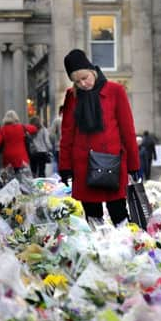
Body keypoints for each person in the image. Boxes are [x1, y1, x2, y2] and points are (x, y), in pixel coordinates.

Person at [59, 49, 140, 227]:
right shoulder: (72, 96)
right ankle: (97, 251)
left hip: (112, 163)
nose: (83, 83)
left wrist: (134, 165)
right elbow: (67, 134)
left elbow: (127, 131)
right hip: (84, 165)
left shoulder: (115, 91)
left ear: (92, 71)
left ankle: (125, 248)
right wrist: (65, 166)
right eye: (77, 81)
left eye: (85, 77)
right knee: (93, 218)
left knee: (119, 214)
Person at [49, 106, 63, 173]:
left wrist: (54, 142)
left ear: (59, 112)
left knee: (58, 165)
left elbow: (51, 135)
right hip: (71, 148)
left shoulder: (57, 120)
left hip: (59, 147)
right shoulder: (73, 119)